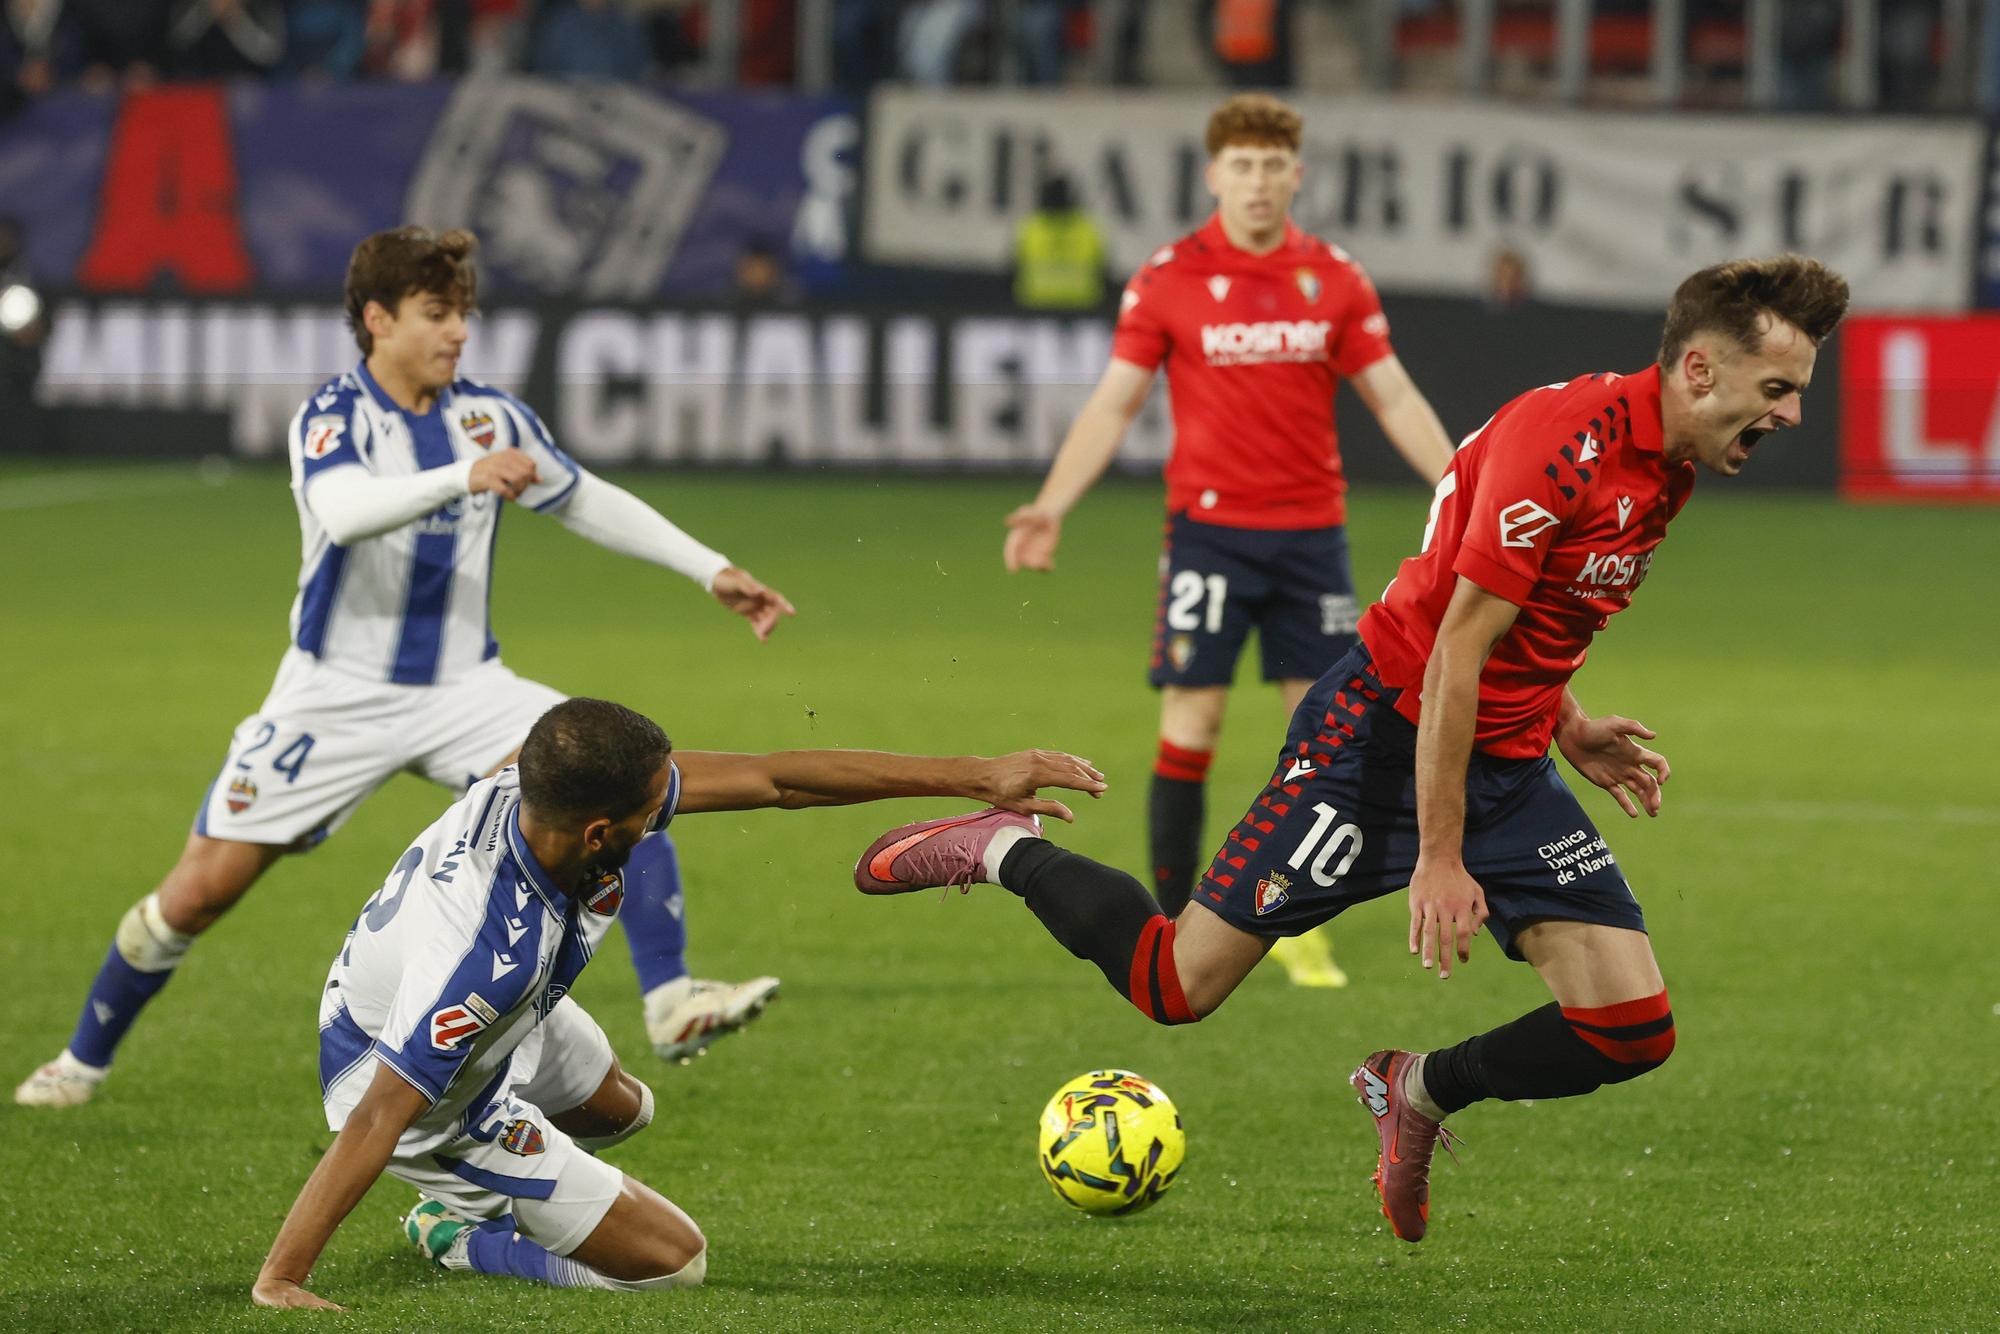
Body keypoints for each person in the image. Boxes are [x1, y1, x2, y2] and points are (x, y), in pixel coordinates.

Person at [862, 255, 1850, 1241]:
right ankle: (1002, 848)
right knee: (1173, 984)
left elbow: (1536, 618)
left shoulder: (1667, 467)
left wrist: (1567, 721)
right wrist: (1439, 854)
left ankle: (1414, 1087)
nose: (1792, 413)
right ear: (1697, 371)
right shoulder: (1563, 445)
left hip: (1503, 762)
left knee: (1629, 1028)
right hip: (1376, 742)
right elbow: (1453, 652)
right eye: (1776, 388)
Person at [15, 226, 796, 1110]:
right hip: (333, 696)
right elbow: (345, 511)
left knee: (619, 779)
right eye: (436, 313)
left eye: (463, 313)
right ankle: (81, 1061)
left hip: (465, 689)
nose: (458, 331)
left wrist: (709, 568)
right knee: (196, 895)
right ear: (378, 319)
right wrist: (463, 478)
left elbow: (582, 496)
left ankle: (672, 1001)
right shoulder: (334, 417)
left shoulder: (490, 417)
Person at [251, 697, 1105, 1309]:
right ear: (598, 831)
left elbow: (776, 779)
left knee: (624, 1109)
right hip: (425, 1095)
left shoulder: (539, 793)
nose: (670, 805)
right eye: (652, 805)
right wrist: (283, 1278)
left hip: (479, 1022)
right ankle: (463, 1232)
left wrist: (977, 776)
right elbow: (378, 1115)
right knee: (672, 1264)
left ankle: (524, 1182)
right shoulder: (486, 956)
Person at [1001, 94, 1455, 990]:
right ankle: (1175, 924)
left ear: (1297, 175)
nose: (1257, 182)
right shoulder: (1168, 277)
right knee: (1193, 722)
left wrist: (1460, 487)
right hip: (1209, 537)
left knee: (1323, 735)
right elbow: (1115, 403)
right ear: (1213, 175)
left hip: (1312, 538)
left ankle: (1296, 921)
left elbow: (1395, 397)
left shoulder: (1334, 277)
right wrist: (1052, 504)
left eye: (1272, 166)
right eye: (1241, 165)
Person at [1011, 174, 1108, 312]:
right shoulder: (1088, 230)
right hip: (1082, 306)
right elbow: (1103, 271)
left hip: (1036, 305)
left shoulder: (1030, 228)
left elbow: (1014, 269)